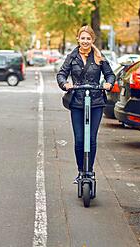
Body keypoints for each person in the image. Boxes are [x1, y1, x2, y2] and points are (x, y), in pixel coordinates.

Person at [56, 25, 115, 184]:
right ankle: (81, 171)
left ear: (92, 40)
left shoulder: (98, 56)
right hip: (77, 102)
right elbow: (61, 74)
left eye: (88, 38)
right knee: (80, 139)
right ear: (78, 39)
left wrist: (108, 83)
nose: (85, 41)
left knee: (92, 139)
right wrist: (65, 84)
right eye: (83, 38)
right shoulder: (72, 56)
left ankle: (90, 170)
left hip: (95, 101)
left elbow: (110, 74)